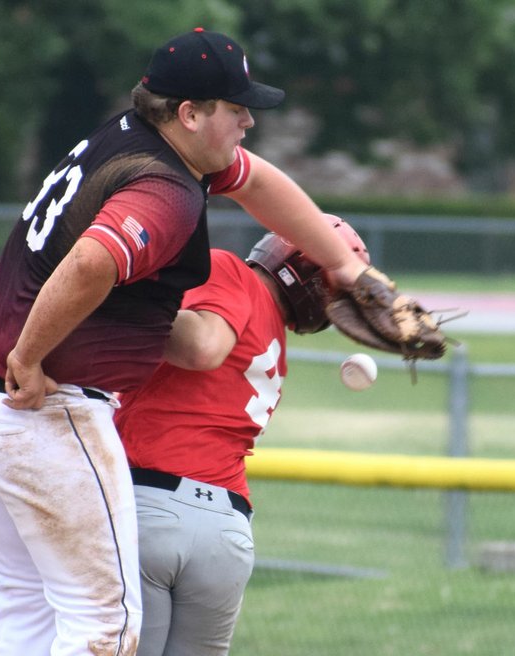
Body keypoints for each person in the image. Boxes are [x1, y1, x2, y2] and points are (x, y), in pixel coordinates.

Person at [0, 27, 382, 656]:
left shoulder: (122, 137)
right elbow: (93, 263)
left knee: (28, 613)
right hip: (43, 407)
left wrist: (350, 267)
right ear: (190, 113)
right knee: (105, 627)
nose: (249, 121)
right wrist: (29, 352)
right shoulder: (167, 188)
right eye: (236, 108)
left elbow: (258, 184)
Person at [114, 216, 370, 656]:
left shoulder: (230, 271)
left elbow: (197, 346)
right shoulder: (278, 346)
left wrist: (113, 295)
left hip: (150, 506)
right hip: (227, 531)